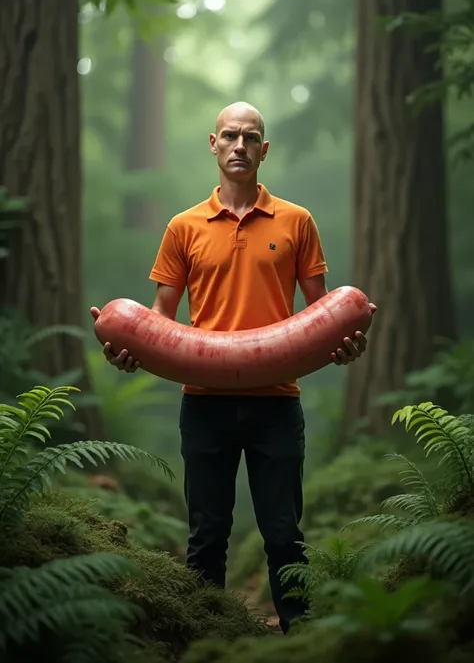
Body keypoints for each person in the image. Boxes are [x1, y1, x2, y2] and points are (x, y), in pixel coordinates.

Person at [91, 101, 376, 634]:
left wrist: (345, 343)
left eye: (250, 137)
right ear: (213, 144)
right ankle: (205, 639)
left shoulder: (297, 222)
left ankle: (300, 637)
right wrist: (126, 347)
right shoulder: (183, 227)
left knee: (284, 532)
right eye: (230, 136)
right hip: (204, 400)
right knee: (206, 533)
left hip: (278, 399)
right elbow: (160, 323)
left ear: (264, 150)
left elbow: (320, 314)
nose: (240, 145)